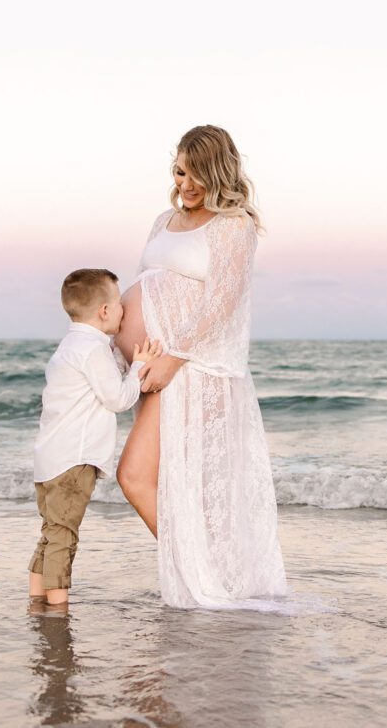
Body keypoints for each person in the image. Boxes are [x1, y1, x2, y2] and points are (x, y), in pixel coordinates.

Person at [114, 125, 288, 609]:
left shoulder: (234, 224)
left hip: (192, 370)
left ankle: (202, 580)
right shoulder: (162, 220)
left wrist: (174, 357)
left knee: (137, 477)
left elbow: (222, 301)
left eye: (196, 175)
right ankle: (201, 575)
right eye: (179, 172)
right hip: (155, 368)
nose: (185, 184)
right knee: (165, 481)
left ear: (219, 173)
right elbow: (146, 283)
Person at [28, 268, 160, 606]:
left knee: (51, 533)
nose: (123, 311)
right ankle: (57, 612)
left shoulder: (71, 346)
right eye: (119, 305)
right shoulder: (91, 350)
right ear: (104, 311)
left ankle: (37, 601)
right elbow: (117, 399)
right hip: (74, 459)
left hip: (50, 458)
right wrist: (137, 367)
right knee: (63, 536)